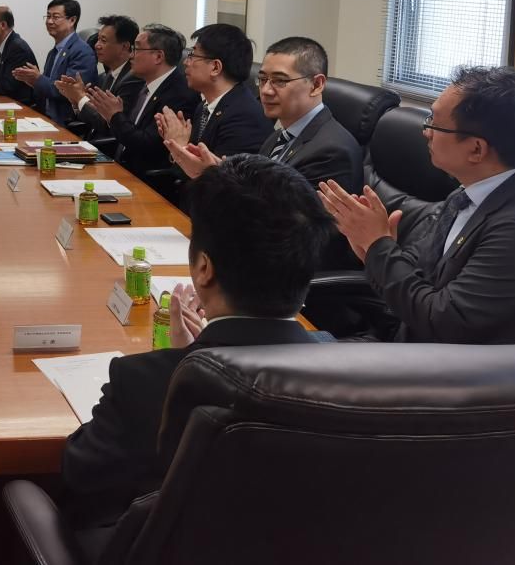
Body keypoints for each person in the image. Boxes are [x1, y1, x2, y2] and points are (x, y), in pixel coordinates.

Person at [60, 155, 328, 559]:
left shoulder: (147, 380)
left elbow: (77, 473)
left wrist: (180, 359)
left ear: (203, 268)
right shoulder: (353, 376)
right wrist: (198, 352)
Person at [319, 66, 515, 343]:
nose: (425, 132)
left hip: (438, 363)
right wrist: (371, 249)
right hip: (397, 339)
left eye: (434, 123)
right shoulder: (464, 195)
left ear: (476, 149)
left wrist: (378, 247)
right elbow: (415, 271)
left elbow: (443, 321)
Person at [166, 36, 363, 268]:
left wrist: (216, 177)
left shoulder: (332, 150)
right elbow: (262, 191)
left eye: (280, 81)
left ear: (316, 85)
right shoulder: (279, 136)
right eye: (262, 79)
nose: (266, 91)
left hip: (291, 273)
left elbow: (288, 227)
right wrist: (213, 171)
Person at [86, 23, 199, 180]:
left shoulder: (178, 95)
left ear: (158, 56)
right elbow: (128, 130)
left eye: (137, 49)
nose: (131, 56)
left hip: (145, 179)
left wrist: (114, 115)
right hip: (122, 167)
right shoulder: (143, 84)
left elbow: (144, 144)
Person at [156, 23, 272, 159]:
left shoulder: (244, 117)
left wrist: (181, 148)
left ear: (215, 67)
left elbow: (221, 172)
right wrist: (179, 145)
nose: (186, 62)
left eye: (192, 55)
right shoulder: (204, 107)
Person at [11, 0, 97, 126]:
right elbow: (48, 89)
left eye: (55, 17)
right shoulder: (54, 52)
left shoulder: (82, 52)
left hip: (65, 122)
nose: (49, 21)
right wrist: (32, 82)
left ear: (72, 20)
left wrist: (38, 79)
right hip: (44, 118)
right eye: (48, 16)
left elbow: (68, 92)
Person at [55, 14, 145, 137]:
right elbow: (95, 116)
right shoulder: (107, 75)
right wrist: (76, 101)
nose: (96, 45)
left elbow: (107, 125)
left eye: (103, 40)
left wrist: (80, 97)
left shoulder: (134, 78)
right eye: (98, 39)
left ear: (125, 46)